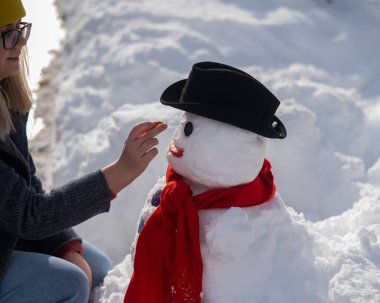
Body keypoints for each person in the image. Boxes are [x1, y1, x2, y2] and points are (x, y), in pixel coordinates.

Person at [0, 0, 167, 302]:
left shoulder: (7, 96)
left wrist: (64, 244)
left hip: (7, 231)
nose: (20, 42)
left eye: (20, 29)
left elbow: (26, 188)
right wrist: (119, 173)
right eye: (7, 34)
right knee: (69, 283)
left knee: (98, 269)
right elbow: (30, 215)